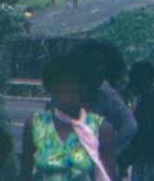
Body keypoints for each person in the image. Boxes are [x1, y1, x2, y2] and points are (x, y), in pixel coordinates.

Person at [21, 50, 117, 181]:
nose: (67, 90)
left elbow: (108, 177)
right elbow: (25, 175)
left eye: (73, 83)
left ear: (83, 88)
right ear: (50, 88)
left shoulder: (101, 128)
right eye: (60, 84)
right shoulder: (35, 124)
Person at [81, 39, 138, 156]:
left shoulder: (106, 94)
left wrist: (105, 150)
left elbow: (130, 127)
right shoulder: (72, 90)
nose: (99, 69)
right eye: (94, 64)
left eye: (101, 64)